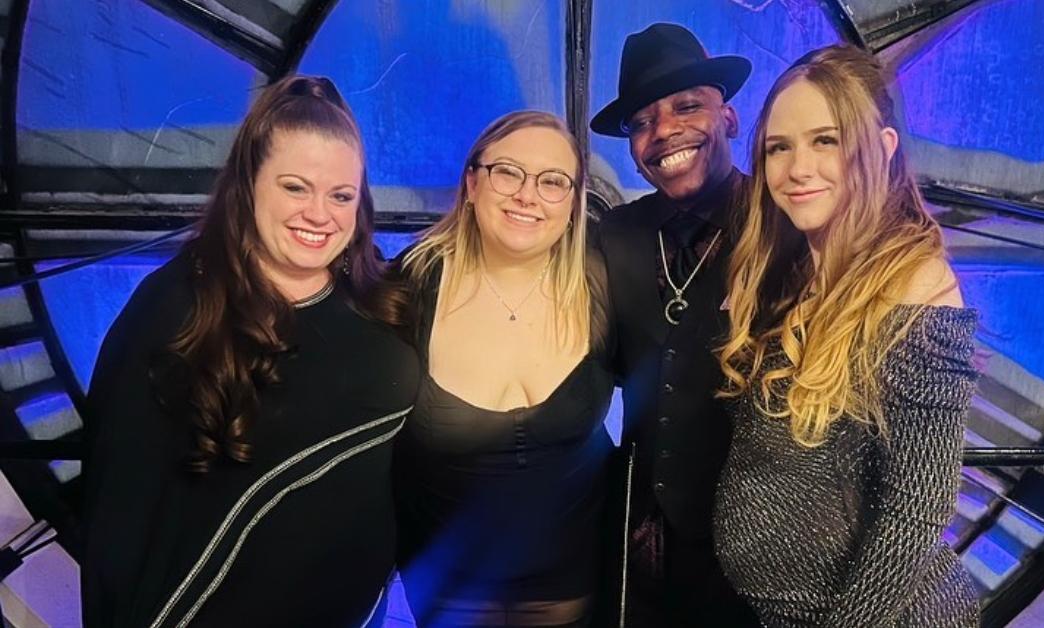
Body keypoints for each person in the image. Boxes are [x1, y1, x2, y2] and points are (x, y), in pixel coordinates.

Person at [82, 76, 418, 628]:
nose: (320, 214)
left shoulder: (381, 300)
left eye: (341, 196)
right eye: (294, 187)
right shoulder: (174, 310)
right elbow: (117, 515)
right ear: (249, 184)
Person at [712, 45, 980, 627]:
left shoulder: (916, 286)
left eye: (825, 140)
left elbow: (919, 505)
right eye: (779, 147)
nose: (797, 168)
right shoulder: (798, 274)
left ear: (882, 149)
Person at [379, 111, 613, 627]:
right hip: (449, 596)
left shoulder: (604, 285)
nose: (527, 195)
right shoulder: (406, 290)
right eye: (508, 172)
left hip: (578, 593)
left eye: (553, 182)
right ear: (471, 182)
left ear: (574, 204)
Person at [589, 22, 759, 628]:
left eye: (687, 106)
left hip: (764, 541)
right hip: (642, 542)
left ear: (730, 118)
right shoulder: (613, 236)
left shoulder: (786, 227)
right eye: (641, 122)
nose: (663, 132)